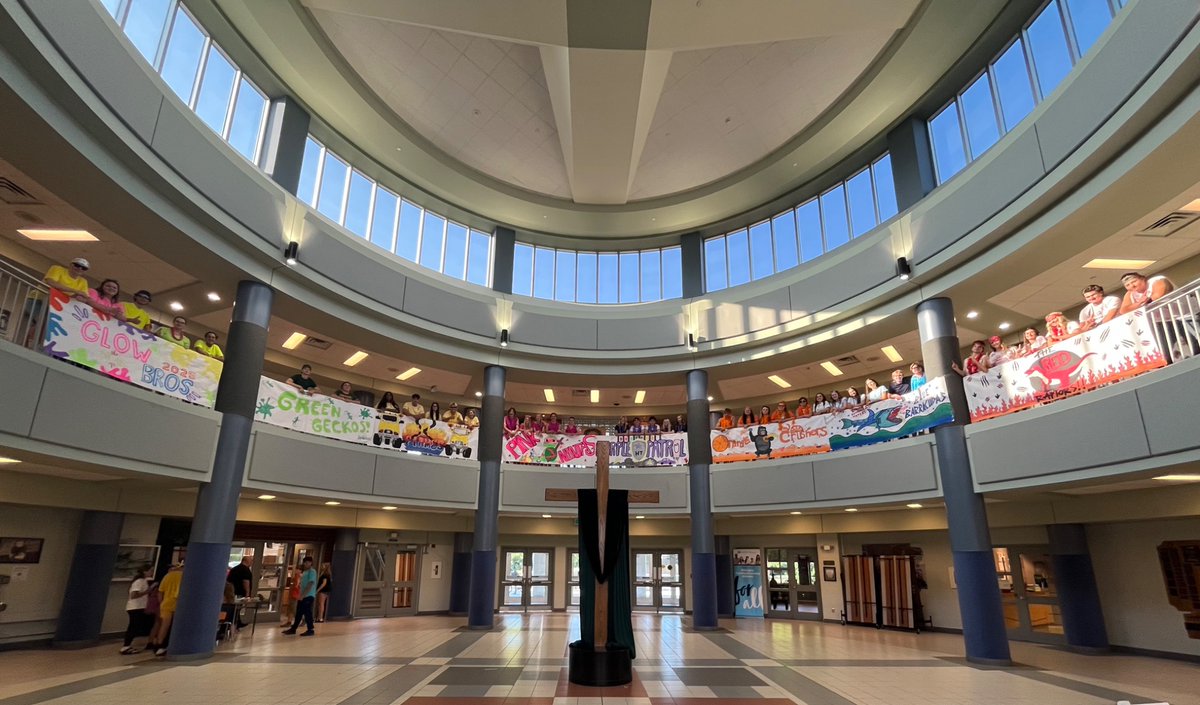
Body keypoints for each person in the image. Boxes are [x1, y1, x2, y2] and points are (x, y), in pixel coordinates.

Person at [151, 562, 183, 656]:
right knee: (174, 626)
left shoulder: (167, 576)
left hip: (166, 604)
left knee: (164, 626)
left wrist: (161, 603)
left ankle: (159, 644)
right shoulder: (184, 576)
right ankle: (170, 645)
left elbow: (160, 592)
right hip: (178, 604)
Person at [120, 564, 154, 654]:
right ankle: (126, 646)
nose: (152, 572)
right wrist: (148, 591)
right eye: (150, 570)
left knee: (135, 626)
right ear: (145, 571)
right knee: (133, 627)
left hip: (139, 607)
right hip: (135, 607)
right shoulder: (139, 581)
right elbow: (134, 595)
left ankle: (127, 645)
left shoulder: (143, 581)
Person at [283, 556, 317, 636]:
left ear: (311, 563)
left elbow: (310, 583)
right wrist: (300, 595)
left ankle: (310, 629)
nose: (306, 564)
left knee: (307, 612)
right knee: (299, 613)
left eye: (308, 562)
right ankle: (293, 628)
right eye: (305, 562)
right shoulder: (304, 572)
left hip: (308, 595)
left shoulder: (312, 571)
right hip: (302, 595)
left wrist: (303, 595)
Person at [227, 555, 253, 629]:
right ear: (246, 561)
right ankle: (236, 623)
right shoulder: (246, 570)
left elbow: (229, 581)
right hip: (240, 593)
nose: (251, 562)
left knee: (233, 608)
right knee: (237, 608)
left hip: (232, 592)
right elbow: (246, 582)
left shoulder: (234, 569)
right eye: (251, 561)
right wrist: (247, 594)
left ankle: (236, 622)